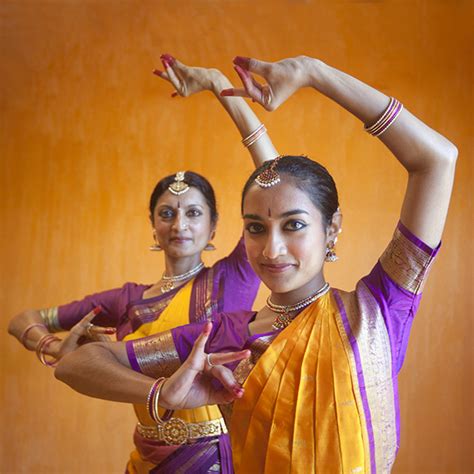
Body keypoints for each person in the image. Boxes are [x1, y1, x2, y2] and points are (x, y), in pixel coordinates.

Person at [55, 55, 457, 473]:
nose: (272, 250)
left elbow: (437, 160)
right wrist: (162, 394)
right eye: (256, 228)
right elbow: (76, 364)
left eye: (294, 225)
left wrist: (313, 73)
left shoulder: (377, 311)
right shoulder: (227, 335)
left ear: (332, 228)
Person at [8, 55, 280, 473]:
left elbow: (273, 181)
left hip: (215, 457)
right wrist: (50, 345)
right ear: (153, 226)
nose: (179, 224)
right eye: (167, 213)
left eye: (193, 213)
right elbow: (22, 319)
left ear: (214, 227)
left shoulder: (232, 276)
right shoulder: (127, 301)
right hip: (146, 458)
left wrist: (216, 85)